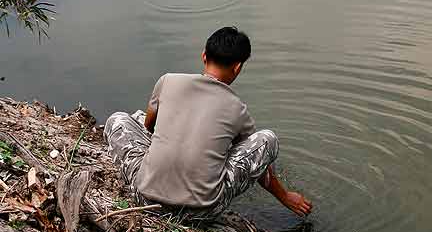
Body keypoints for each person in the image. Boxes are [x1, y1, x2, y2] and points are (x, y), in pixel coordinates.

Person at [104, 26, 313, 222]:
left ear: (204, 56)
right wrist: (285, 196)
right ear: (238, 67)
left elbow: (149, 127)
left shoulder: (168, 80)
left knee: (120, 119)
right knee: (267, 138)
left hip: (146, 202)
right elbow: (258, 162)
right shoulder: (237, 108)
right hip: (202, 212)